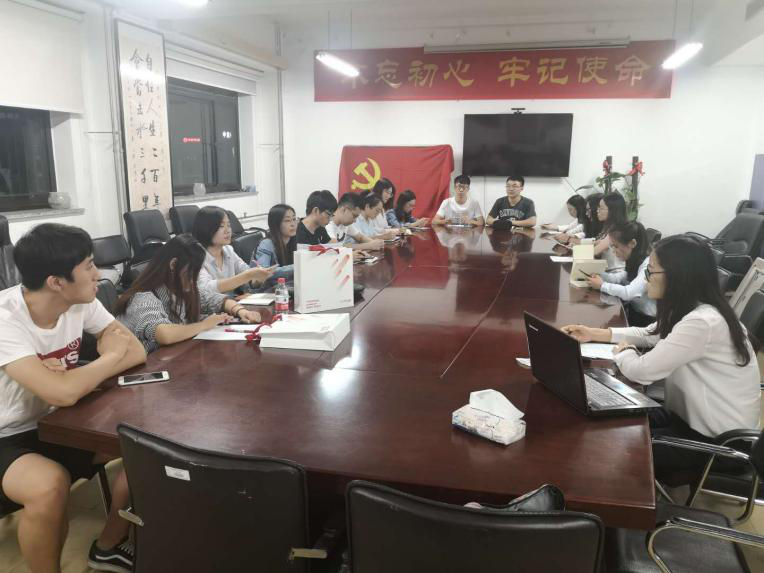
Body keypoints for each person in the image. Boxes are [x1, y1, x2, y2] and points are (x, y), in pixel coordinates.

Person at [0, 223, 147, 573]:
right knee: (48, 485)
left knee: (145, 447)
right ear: (56, 282)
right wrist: (109, 357)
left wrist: (71, 378)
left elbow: (137, 350)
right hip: (7, 435)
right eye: (89, 266)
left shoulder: (80, 301)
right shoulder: (6, 319)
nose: (100, 274)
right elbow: (64, 392)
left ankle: (108, 544)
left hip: (55, 422)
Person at [562, 235, 760, 482]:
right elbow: (649, 334)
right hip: (687, 420)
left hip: (719, 444)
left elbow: (641, 372)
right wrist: (594, 333)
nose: (646, 279)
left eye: (651, 272)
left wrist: (624, 351)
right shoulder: (694, 310)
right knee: (603, 418)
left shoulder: (703, 322)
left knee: (610, 447)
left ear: (677, 276)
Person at [116, 234, 261, 354]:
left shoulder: (179, 288)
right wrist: (204, 325)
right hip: (141, 372)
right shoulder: (143, 297)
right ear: (173, 265)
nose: (194, 280)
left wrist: (241, 311)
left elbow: (212, 299)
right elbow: (165, 334)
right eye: (191, 273)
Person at [192, 206, 274, 298]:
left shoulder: (228, 250)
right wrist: (248, 275)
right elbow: (206, 289)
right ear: (206, 228)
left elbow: (246, 276)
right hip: (212, 306)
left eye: (229, 225)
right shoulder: (196, 257)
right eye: (221, 226)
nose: (227, 230)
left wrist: (256, 279)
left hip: (233, 303)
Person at [586, 221, 656, 326]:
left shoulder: (647, 265)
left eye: (616, 246)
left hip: (646, 320)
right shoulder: (634, 260)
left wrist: (602, 285)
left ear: (632, 243)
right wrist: (598, 274)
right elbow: (621, 278)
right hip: (633, 311)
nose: (613, 251)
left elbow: (629, 293)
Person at [252, 204, 298, 285]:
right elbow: (264, 271)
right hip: (265, 289)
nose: (293, 224)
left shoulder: (292, 241)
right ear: (276, 223)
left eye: (294, 219)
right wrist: (297, 266)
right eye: (287, 220)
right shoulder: (266, 244)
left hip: (283, 286)